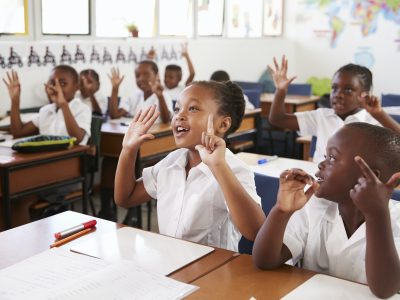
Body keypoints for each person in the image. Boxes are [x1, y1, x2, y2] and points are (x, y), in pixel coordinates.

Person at [253, 122, 400, 298]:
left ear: (370, 176)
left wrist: (377, 214)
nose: (321, 164)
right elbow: (264, 260)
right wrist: (281, 212)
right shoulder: (312, 206)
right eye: (324, 156)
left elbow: (385, 289)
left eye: (332, 158)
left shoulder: (396, 220)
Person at [114, 81, 265, 251]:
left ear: (223, 124)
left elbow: (256, 232)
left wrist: (219, 167)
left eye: (193, 109)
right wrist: (128, 150)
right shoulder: (171, 162)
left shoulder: (233, 169)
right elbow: (125, 198)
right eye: (177, 109)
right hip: (170, 264)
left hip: (212, 272)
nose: (179, 116)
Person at [268, 55, 400, 163]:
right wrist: (280, 90)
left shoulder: (373, 122)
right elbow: (277, 120)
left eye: (348, 90)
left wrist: (379, 114)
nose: (338, 94)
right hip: (319, 183)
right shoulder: (321, 116)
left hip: (355, 187)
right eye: (334, 88)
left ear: (364, 94)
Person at [3, 66, 91, 145]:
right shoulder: (45, 110)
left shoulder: (82, 109)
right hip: (47, 157)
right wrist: (15, 101)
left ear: (77, 86)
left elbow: (77, 139)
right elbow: (18, 133)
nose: (57, 88)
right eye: (52, 83)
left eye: (63, 84)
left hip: (71, 159)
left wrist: (63, 105)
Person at [108, 61, 172, 124]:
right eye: (137, 76)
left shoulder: (164, 96)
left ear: (156, 75)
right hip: (136, 133)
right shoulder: (133, 96)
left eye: (146, 75)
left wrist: (160, 97)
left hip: (156, 133)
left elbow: (166, 121)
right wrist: (115, 89)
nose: (141, 79)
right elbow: (114, 116)